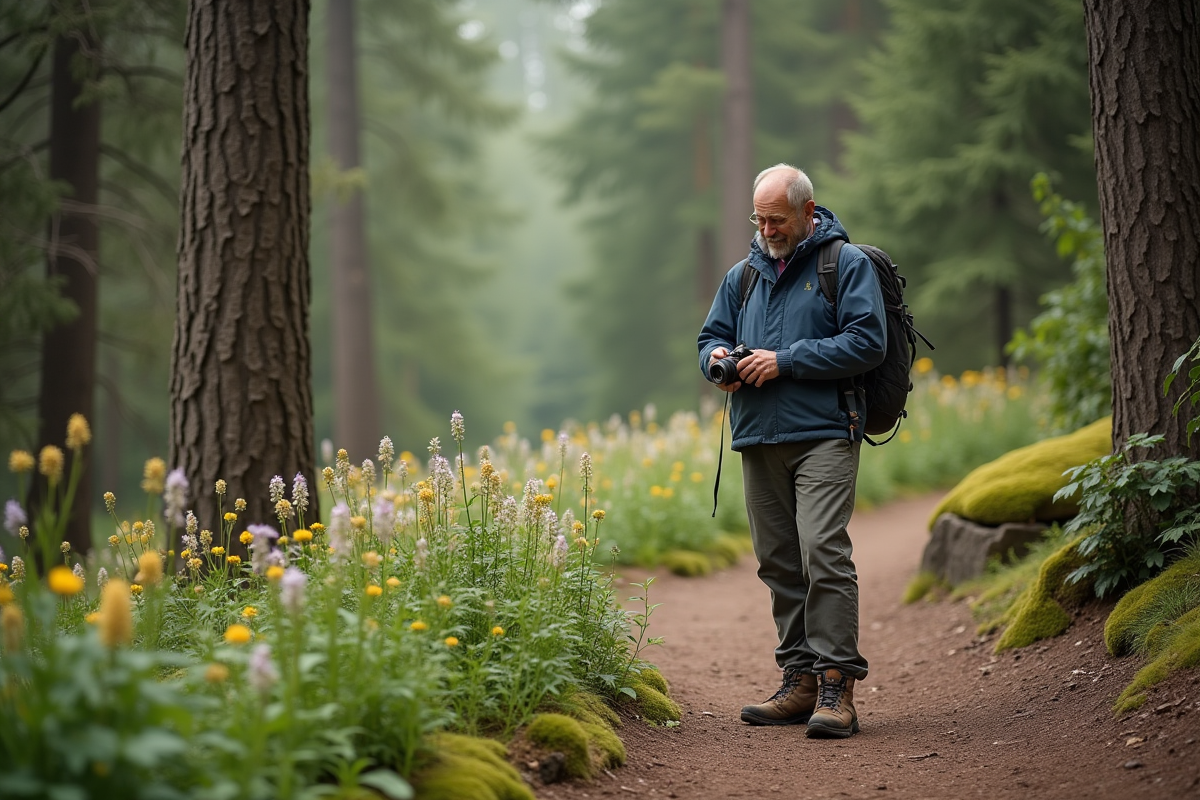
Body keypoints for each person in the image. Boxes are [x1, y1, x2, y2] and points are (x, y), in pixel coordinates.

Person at [697, 164, 886, 738]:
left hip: (825, 433)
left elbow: (867, 341)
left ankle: (836, 687)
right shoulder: (742, 276)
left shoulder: (843, 264)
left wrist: (785, 360)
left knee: (822, 551)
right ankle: (799, 680)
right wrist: (717, 362)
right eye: (759, 218)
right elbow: (710, 338)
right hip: (757, 437)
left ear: (808, 212)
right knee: (778, 560)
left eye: (777, 218)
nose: (767, 228)